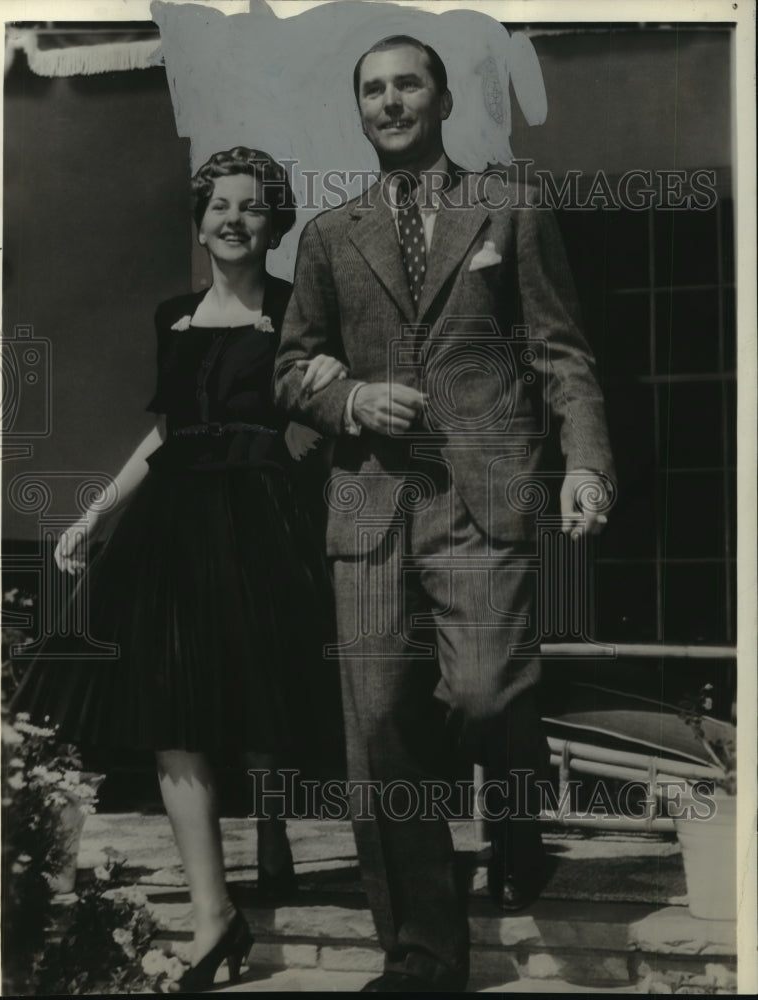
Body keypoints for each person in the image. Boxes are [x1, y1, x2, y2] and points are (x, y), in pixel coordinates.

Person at [274, 36, 615, 993]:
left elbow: (561, 352)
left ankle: (514, 814)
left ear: (442, 100)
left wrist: (585, 463)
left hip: (484, 496)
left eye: (406, 85)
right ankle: (423, 951)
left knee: (485, 694)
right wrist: (347, 401)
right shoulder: (331, 234)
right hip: (372, 503)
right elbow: (292, 366)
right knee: (382, 730)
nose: (390, 103)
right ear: (361, 109)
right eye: (372, 90)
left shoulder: (506, 204)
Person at [11, 146, 346, 992]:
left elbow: (327, 411)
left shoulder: (298, 311)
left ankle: (271, 836)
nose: (233, 219)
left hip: (263, 519)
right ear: (200, 223)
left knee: (261, 690)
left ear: (275, 223)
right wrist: (95, 511)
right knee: (174, 710)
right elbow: (166, 433)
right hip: (172, 524)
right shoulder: (173, 318)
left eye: (253, 206)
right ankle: (213, 915)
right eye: (219, 206)